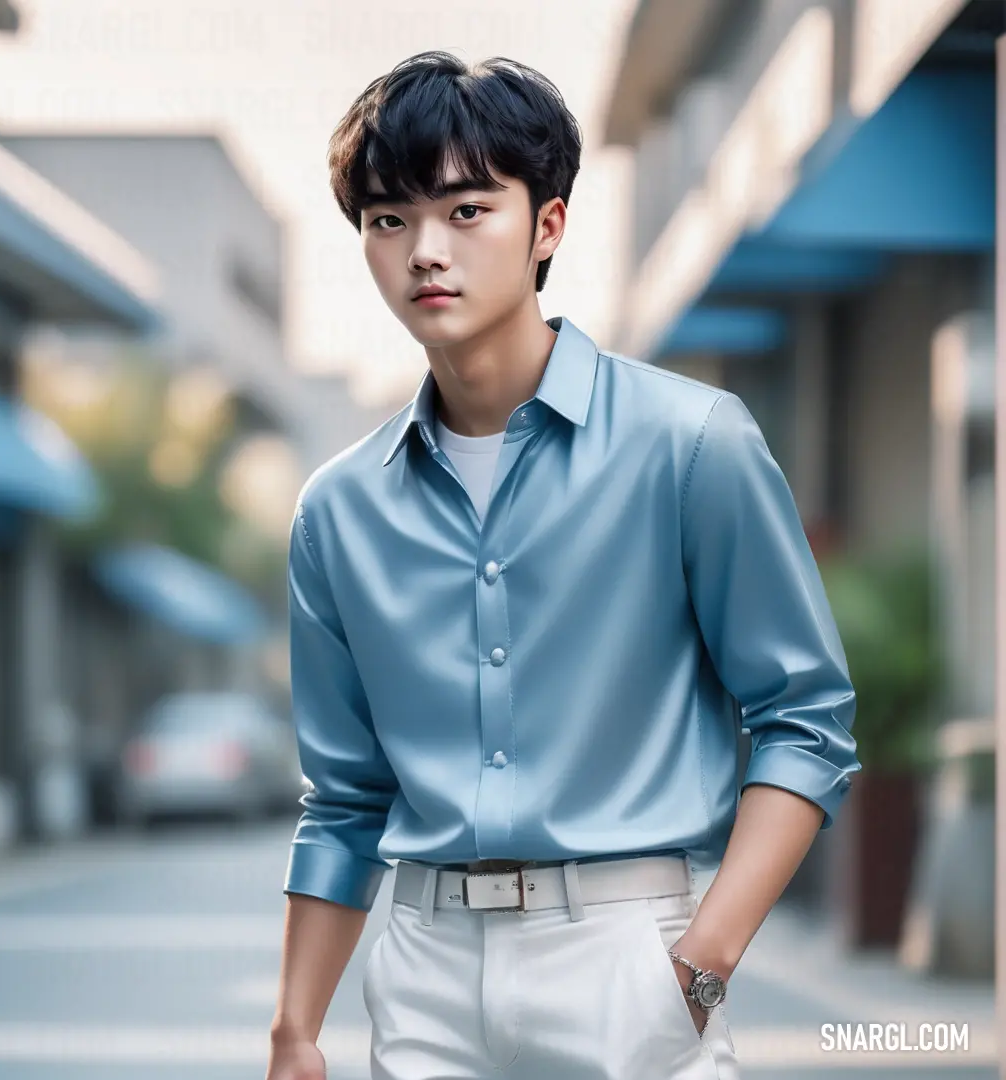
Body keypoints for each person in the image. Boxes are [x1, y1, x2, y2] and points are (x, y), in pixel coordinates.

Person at [265, 50, 860, 1080]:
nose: (423, 252)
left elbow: (805, 724)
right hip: (424, 972)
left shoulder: (691, 445)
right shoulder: (337, 511)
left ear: (548, 225)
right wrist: (295, 1030)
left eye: (465, 211)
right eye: (388, 220)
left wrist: (700, 968)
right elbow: (344, 798)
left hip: (628, 960)